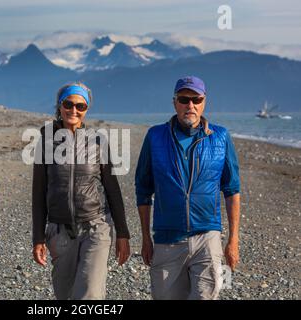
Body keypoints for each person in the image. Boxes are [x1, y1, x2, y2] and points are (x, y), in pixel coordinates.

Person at [135, 76, 240, 300]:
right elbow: (143, 190)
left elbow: (232, 190)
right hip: (167, 239)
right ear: (174, 102)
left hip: (207, 237)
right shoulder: (155, 136)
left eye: (196, 99)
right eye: (184, 99)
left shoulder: (220, 137)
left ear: (204, 102)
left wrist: (233, 240)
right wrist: (145, 237)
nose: (190, 105)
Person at [32, 82, 130, 300]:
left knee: (89, 295)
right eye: (68, 104)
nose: (74, 110)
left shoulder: (98, 142)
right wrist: (38, 237)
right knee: (65, 296)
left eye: (80, 106)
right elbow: (38, 193)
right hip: (59, 231)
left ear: (86, 110)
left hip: (96, 227)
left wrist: (123, 233)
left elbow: (112, 189)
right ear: (59, 105)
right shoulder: (46, 141)